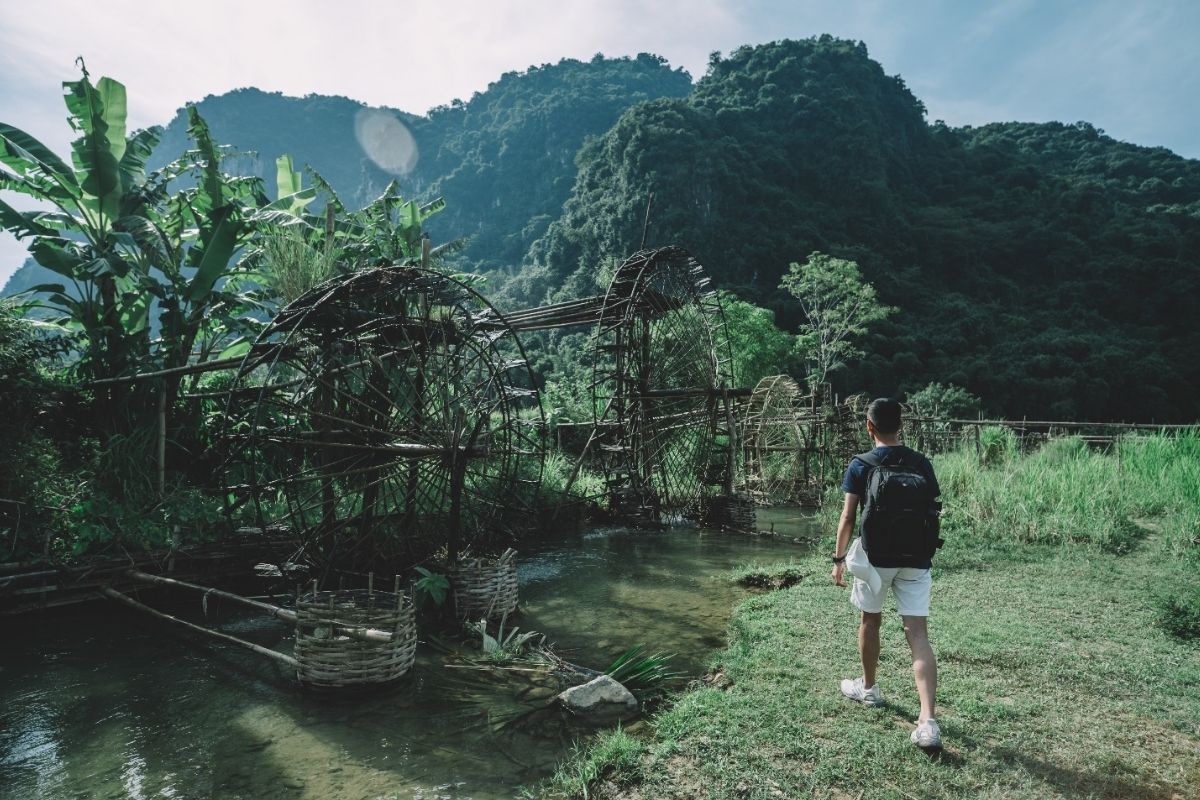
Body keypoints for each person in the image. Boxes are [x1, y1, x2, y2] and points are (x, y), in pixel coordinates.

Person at [831, 397, 943, 749]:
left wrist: (837, 560)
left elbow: (848, 517)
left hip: (875, 559)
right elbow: (933, 510)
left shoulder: (861, 464)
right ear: (902, 425)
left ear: (869, 426)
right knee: (918, 634)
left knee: (870, 620)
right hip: (916, 559)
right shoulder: (921, 463)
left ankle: (868, 689)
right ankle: (928, 720)